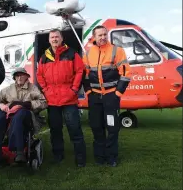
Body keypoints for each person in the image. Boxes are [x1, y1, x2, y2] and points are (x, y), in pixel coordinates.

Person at [36, 29, 86, 166]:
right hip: (52, 101)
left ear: (62, 38)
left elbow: (80, 71)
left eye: (57, 36)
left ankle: (80, 158)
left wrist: (74, 89)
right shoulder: (44, 57)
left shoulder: (71, 53)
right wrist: (45, 90)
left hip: (69, 99)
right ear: (49, 40)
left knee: (74, 129)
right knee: (55, 130)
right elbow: (39, 75)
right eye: (52, 37)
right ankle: (58, 156)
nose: (54, 39)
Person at [82, 25, 131, 167]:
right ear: (94, 37)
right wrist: (89, 93)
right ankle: (99, 157)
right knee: (96, 127)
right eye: (100, 35)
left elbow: (126, 74)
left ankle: (112, 157)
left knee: (112, 127)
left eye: (105, 34)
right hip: (95, 98)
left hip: (111, 96)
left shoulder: (117, 51)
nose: (103, 37)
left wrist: (117, 94)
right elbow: (84, 76)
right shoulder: (87, 54)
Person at [0, 67, 47, 164]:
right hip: (9, 114)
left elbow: (43, 102)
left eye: (21, 75)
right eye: (17, 76)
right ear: (14, 78)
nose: (19, 78)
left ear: (26, 77)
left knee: (20, 114)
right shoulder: (8, 89)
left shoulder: (33, 88)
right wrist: (0, 104)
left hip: (27, 115)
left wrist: (25, 105)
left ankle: (19, 152)